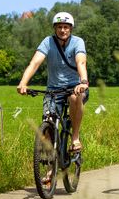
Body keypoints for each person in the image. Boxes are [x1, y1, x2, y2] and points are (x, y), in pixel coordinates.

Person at [16, 12, 89, 152]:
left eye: (66, 27)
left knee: (75, 97)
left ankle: (75, 138)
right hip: (54, 90)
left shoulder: (77, 42)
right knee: (48, 123)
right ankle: (50, 168)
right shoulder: (47, 42)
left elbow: (81, 62)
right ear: (55, 28)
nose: (62, 30)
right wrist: (23, 83)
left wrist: (83, 82)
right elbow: (34, 63)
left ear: (71, 28)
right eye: (59, 27)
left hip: (75, 87)